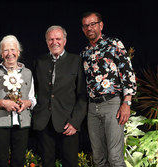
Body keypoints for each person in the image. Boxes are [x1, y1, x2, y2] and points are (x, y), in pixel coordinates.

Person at [80, 12, 137, 167]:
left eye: (92, 24)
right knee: (98, 158)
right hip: (92, 108)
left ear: (101, 25)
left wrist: (127, 103)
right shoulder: (84, 52)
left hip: (113, 104)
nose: (89, 28)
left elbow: (127, 74)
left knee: (115, 158)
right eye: (85, 25)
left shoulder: (114, 44)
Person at [32, 25, 87, 167]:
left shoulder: (76, 61)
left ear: (65, 41)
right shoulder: (39, 61)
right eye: (50, 39)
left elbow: (82, 95)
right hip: (44, 122)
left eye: (58, 38)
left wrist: (75, 122)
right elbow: (33, 91)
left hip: (68, 123)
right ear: (46, 42)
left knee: (70, 163)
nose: (54, 42)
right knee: (46, 162)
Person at [0, 35, 37, 167]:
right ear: (1, 54)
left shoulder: (28, 73)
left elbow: (33, 98)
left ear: (18, 52)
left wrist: (27, 103)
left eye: (13, 50)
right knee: (1, 160)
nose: (10, 53)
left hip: (22, 123)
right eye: (6, 50)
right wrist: (1, 103)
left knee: (19, 161)